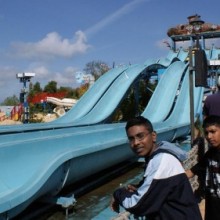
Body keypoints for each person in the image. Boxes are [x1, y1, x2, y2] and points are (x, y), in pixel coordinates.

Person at [110, 116, 202, 220]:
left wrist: (118, 193)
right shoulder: (156, 157)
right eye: (131, 139)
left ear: (153, 136)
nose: (136, 143)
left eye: (140, 136)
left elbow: (137, 205)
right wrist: (141, 187)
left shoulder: (162, 160)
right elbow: (161, 188)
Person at [186, 115, 220, 220]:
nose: (209, 136)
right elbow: (190, 172)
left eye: (213, 132)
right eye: (206, 133)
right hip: (213, 212)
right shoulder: (209, 155)